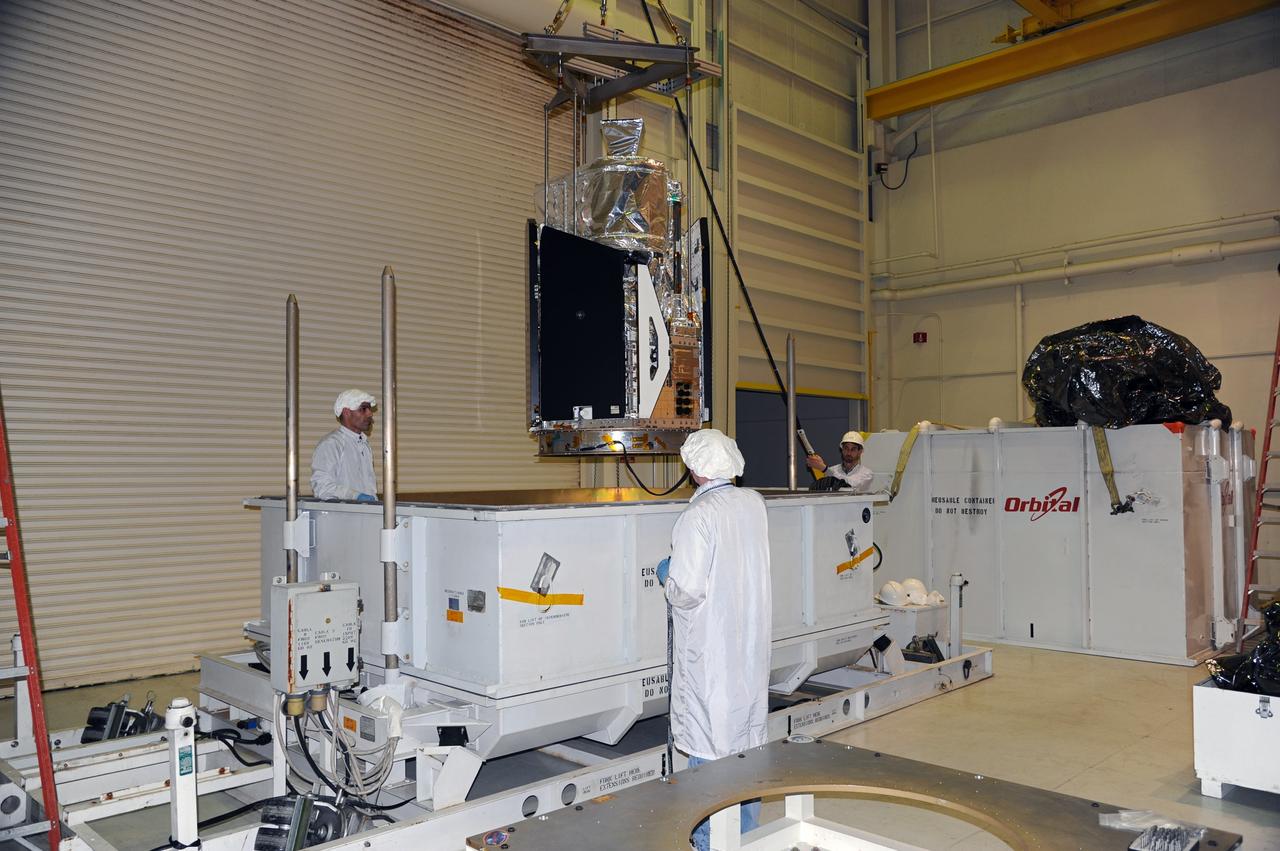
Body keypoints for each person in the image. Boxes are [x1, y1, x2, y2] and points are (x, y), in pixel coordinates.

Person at [656, 428, 771, 851]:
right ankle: (748, 838)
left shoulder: (697, 517)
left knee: (710, 745)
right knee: (745, 745)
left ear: (693, 468)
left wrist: (666, 574)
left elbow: (686, 591)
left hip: (710, 654)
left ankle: (712, 844)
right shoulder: (752, 504)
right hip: (747, 645)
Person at [310, 389, 378, 501]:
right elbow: (322, 487)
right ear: (346, 412)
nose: (370, 414)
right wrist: (355, 496)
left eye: (369, 409)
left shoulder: (364, 444)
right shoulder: (332, 444)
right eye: (363, 409)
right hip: (342, 517)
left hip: (364, 514)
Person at [805, 430, 874, 493]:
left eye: (853, 449)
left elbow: (850, 486)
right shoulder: (832, 470)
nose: (849, 453)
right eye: (846, 448)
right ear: (842, 449)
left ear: (860, 451)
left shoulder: (867, 474)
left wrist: (824, 469)